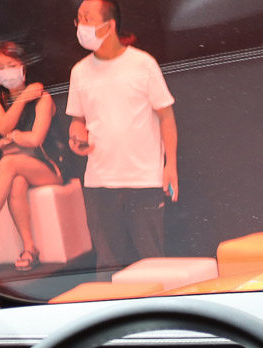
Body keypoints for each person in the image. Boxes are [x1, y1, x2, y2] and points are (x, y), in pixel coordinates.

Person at [66, 0, 178, 273]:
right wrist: (77, 136)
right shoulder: (79, 71)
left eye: (87, 18)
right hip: (99, 181)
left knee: (152, 261)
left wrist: (171, 165)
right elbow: (77, 121)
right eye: (78, 19)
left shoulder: (142, 63)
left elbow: (166, 116)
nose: (81, 26)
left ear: (110, 25)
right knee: (108, 266)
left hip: (143, 179)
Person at [0, 42, 64, 271]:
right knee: (16, 183)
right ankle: (30, 248)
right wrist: (23, 98)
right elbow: (3, 126)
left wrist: (15, 137)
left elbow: (35, 139)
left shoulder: (43, 97)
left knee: (9, 161)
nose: (5, 71)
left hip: (48, 167)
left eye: (10, 65)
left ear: (23, 65)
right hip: (18, 168)